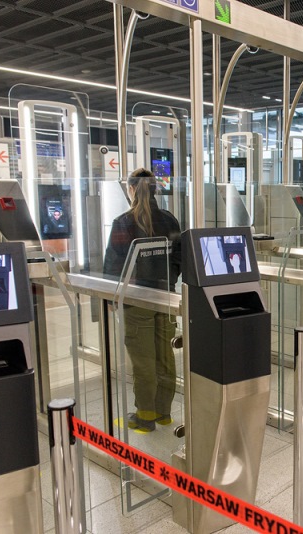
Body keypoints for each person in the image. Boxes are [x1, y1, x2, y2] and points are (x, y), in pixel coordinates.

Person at [104, 168, 182, 433]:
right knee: (165, 357)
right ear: (155, 190)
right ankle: (163, 413)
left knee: (143, 361)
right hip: (165, 298)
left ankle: (145, 416)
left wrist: (114, 298)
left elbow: (113, 268)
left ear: (131, 189)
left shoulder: (123, 222)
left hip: (136, 302)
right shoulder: (170, 220)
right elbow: (178, 259)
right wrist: (167, 283)